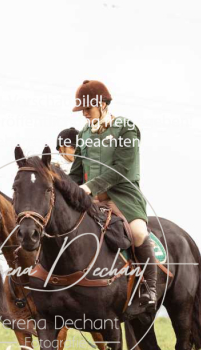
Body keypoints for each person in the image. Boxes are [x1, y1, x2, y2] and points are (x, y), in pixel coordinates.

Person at [68, 80, 157, 311]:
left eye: (88, 109)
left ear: (102, 104)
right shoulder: (85, 133)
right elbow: (77, 171)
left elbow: (122, 170)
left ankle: (149, 288)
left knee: (137, 233)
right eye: (82, 110)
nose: (84, 114)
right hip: (92, 199)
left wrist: (89, 188)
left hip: (122, 197)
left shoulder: (126, 128)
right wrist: (63, 187)